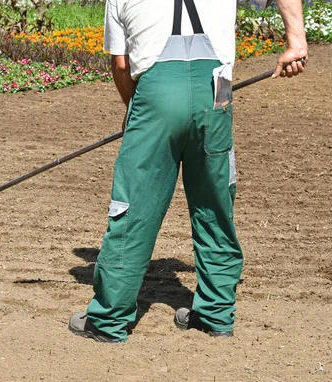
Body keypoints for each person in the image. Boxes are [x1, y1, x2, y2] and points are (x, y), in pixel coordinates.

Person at [68, 0, 308, 343]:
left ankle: (108, 320)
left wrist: (135, 113)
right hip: (217, 91)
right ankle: (215, 314)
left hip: (155, 95)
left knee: (135, 208)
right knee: (215, 205)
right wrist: (296, 42)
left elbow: (121, 64)